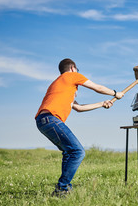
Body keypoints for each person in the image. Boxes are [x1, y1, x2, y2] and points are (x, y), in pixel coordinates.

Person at [35, 58, 124, 197]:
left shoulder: (60, 84)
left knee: (69, 152)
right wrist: (115, 93)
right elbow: (97, 87)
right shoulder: (71, 76)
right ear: (72, 68)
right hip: (51, 119)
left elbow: (78, 107)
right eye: (77, 70)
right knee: (78, 151)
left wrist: (102, 104)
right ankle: (62, 189)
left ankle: (64, 188)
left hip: (43, 121)